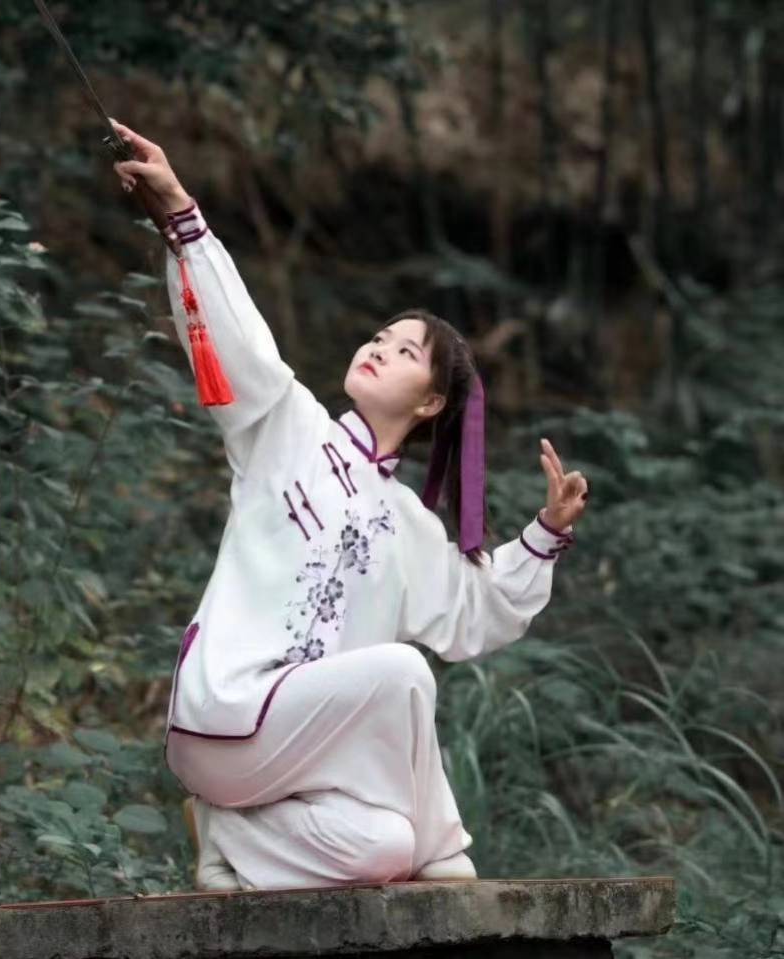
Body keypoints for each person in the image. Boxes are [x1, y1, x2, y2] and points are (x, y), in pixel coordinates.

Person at [111, 119, 589, 892]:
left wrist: (545, 533)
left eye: (405, 352)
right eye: (379, 336)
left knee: (382, 848)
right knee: (403, 671)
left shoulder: (407, 521)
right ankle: (446, 849)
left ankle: (230, 831)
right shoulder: (286, 426)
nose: (378, 348)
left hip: (290, 764)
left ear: (430, 402)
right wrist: (181, 217)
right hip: (223, 712)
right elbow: (239, 344)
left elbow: (473, 612)